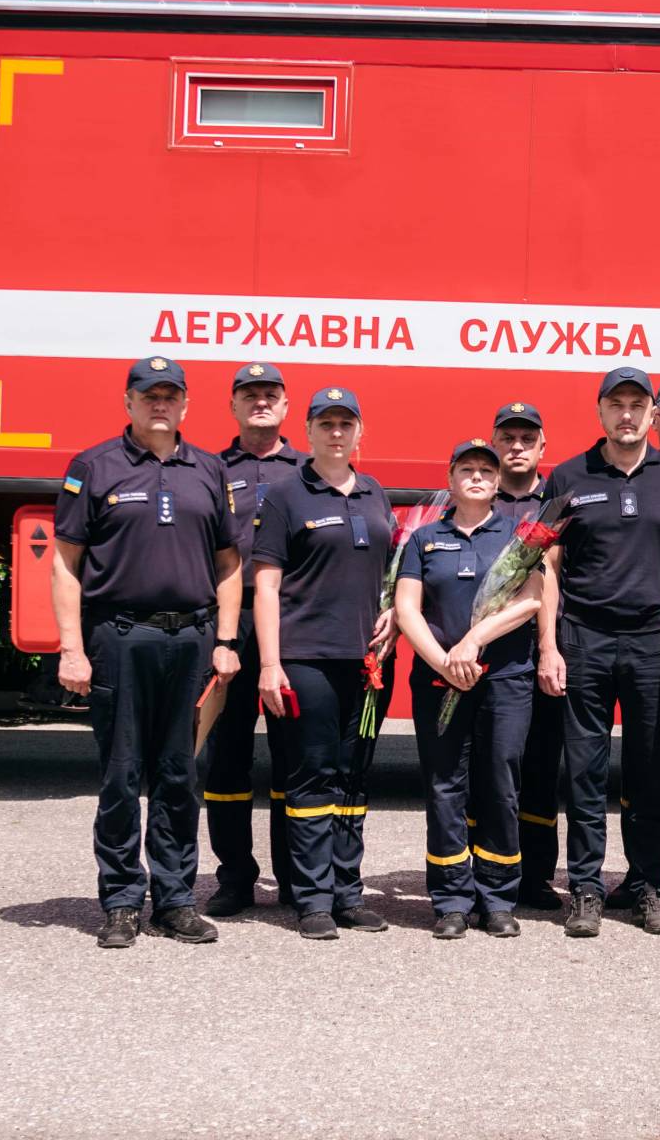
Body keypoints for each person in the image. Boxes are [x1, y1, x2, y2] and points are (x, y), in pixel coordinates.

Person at [52, 355, 242, 949]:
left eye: (170, 395)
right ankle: (121, 902)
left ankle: (176, 900)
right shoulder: (94, 466)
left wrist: (226, 641)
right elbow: (65, 563)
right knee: (121, 774)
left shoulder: (209, 469)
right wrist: (71, 648)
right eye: (149, 395)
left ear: (185, 404)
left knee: (180, 775)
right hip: (120, 638)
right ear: (128, 402)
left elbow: (230, 564)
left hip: (191, 641)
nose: (161, 404)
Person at [546, 367, 660, 937]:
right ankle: (586, 889)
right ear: (600, 411)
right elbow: (546, 565)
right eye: (617, 404)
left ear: (651, 413)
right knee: (585, 773)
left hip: (654, 644)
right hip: (584, 638)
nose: (627, 414)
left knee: (647, 772)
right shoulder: (568, 476)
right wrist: (548, 644)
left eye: (638, 405)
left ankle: (647, 887)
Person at [250, 386, 397, 941]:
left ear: (360, 432)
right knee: (311, 777)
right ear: (308, 431)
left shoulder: (375, 492)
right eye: (326, 424)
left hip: (367, 664)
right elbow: (266, 586)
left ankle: (347, 893)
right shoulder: (286, 495)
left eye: (346, 424)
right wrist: (269, 663)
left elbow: (389, 571)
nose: (337, 433)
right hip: (306, 659)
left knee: (353, 778)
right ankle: (311, 898)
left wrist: (392, 612)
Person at [395, 438, 546, 940]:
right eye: (467, 469)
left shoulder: (520, 537)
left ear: (498, 482)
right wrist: (443, 661)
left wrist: (473, 641)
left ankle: (497, 898)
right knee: (445, 786)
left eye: (486, 470)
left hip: (504, 678)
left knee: (499, 784)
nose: (477, 476)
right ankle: (451, 900)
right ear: (450, 479)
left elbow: (530, 601)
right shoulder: (424, 538)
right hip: (439, 679)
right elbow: (407, 608)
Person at [203, 362, 304, 918]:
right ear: (233, 406)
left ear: (286, 406)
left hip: (293, 622)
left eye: (270, 394)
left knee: (293, 756)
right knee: (227, 756)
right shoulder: (211, 469)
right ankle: (235, 879)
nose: (260, 402)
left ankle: (294, 878)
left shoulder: (309, 470)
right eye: (249, 395)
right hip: (230, 622)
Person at [490, 401, 569, 911]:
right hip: (486, 653)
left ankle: (536, 875)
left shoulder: (555, 503)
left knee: (540, 767)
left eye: (527, 439)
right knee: (489, 768)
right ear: (494, 443)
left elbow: (553, 575)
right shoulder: (476, 493)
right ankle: (488, 870)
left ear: (543, 447)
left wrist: (548, 648)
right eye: (508, 438)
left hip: (539, 649)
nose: (517, 447)